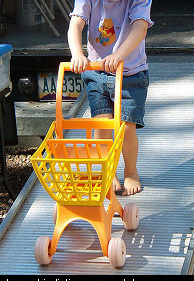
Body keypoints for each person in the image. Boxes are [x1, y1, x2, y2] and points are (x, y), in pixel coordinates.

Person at [68, 0, 153, 196]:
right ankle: (109, 170)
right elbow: (76, 23)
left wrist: (119, 55)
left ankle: (131, 171)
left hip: (130, 73)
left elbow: (140, 28)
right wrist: (77, 54)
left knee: (126, 126)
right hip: (97, 72)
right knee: (101, 124)